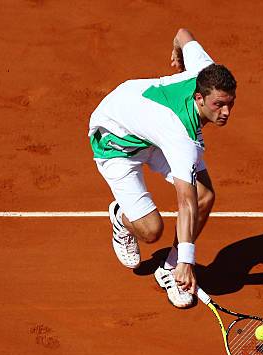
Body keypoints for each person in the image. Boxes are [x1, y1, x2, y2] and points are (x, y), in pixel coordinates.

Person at [88, 28, 237, 308]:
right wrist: (188, 261)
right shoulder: (182, 139)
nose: (226, 112)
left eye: (230, 104)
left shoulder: (207, 71)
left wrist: (177, 51)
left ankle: (169, 268)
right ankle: (121, 218)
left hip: (148, 128)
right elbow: (186, 202)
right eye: (219, 105)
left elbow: (183, 34)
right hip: (116, 142)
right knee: (151, 231)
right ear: (199, 98)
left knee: (207, 195)